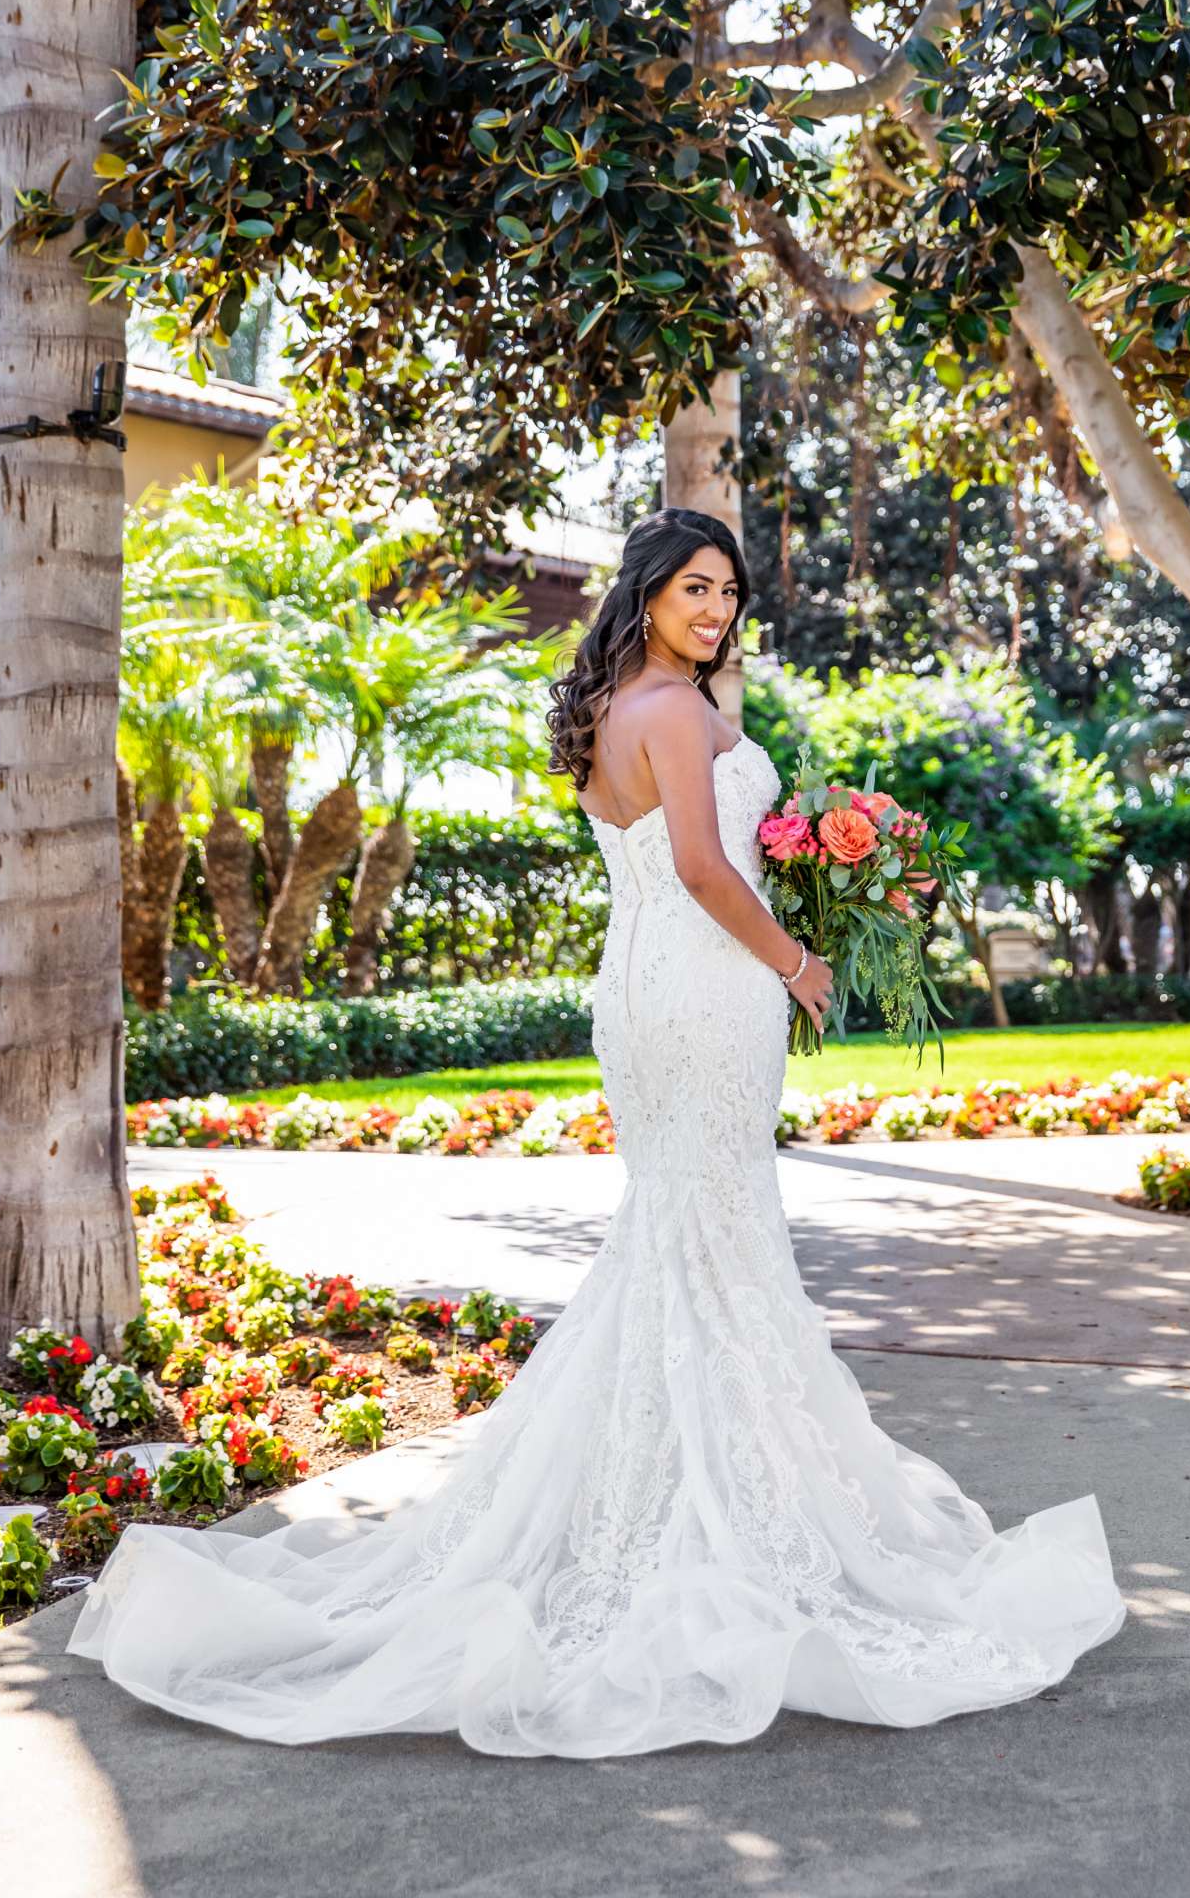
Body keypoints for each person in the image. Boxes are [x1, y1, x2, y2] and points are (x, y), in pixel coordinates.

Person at [64, 506, 1124, 1754]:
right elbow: (697, 865)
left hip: (650, 993)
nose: (716, 610)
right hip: (704, 987)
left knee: (686, 1243)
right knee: (711, 1239)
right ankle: (700, 1520)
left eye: (728, 591)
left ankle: (671, 1495)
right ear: (645, 592)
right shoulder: (672, 712)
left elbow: (696, 853)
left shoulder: (620, 707)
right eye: (692, 589)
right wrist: (797, 959)